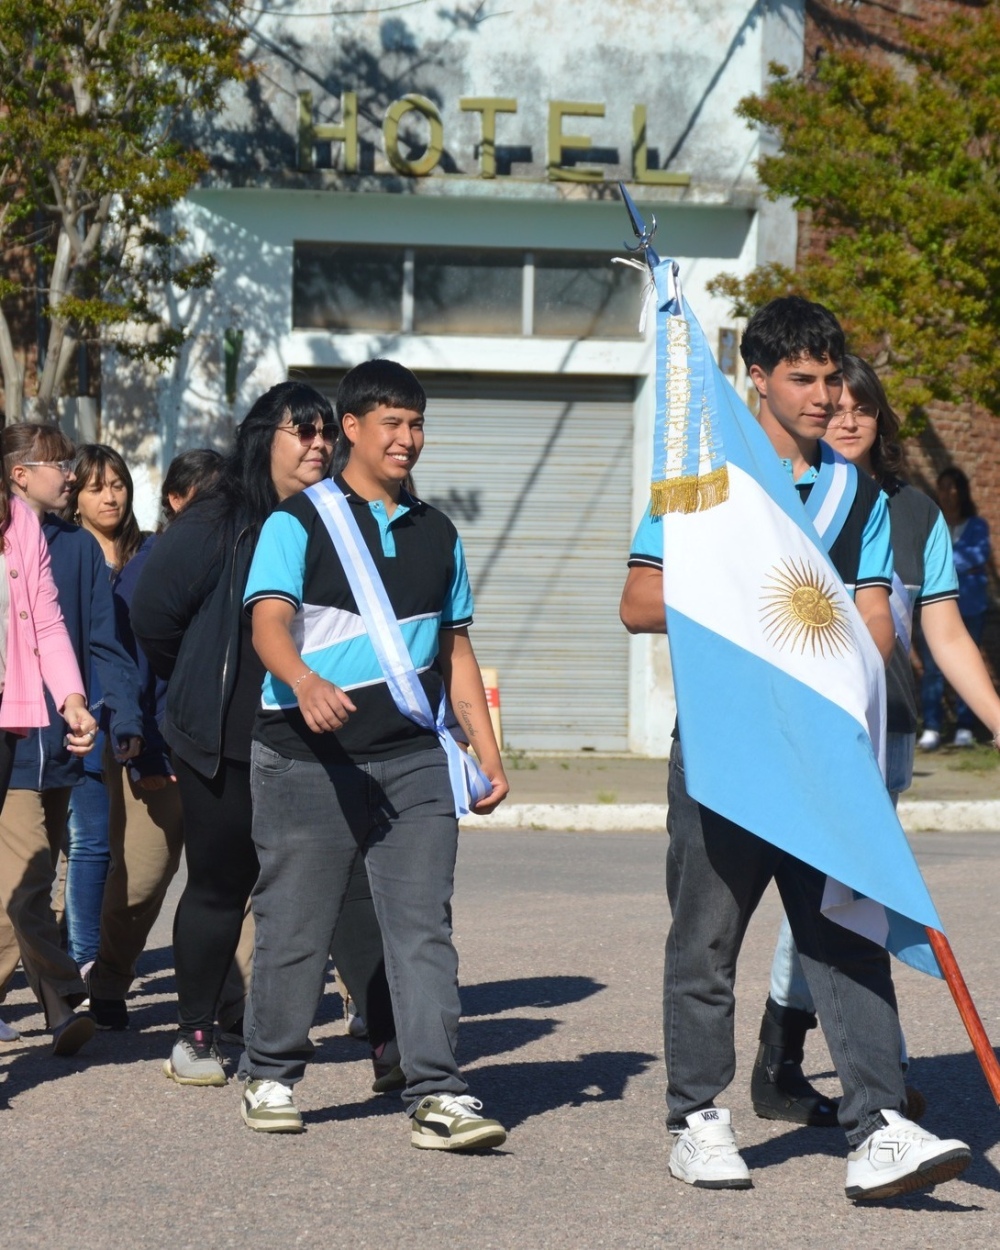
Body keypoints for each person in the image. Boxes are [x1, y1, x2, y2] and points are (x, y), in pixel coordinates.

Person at [619, 298, 970, 1200]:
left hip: (822, 752)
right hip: (725, 750)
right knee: (707, 943)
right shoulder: (704, 484)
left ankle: (879, 1126)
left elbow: (876, 622)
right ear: (758, 381)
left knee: (845, 937)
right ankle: (697, 1119)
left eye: (830, 378)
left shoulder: (863, 497)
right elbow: (638, 603)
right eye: (802, 379)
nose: (823, 397)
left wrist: (840, 659)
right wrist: (755, 614)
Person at [237, 358, 509, 1148]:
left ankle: (437, 1091)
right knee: (295, 923)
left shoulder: (438, 532)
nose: (407, 438)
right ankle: (270, 1073)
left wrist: (487, 752)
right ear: (350, 428)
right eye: (391, 422)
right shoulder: (296, 523)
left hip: (413, 758)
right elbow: (267, 624)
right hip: (304, 759)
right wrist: (303, 680)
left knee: (423, 927)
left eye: (416, 423)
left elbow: (456, 650)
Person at [750, 355, 1000, 1127]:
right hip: (787, 736)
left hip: (879, 736)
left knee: (839, 897)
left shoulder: (914, 513)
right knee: (832, 896)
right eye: (836, 405)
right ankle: (866, 1067)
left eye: (863, 407)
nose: (847, 417)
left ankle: (789, 1062)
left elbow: (945, 635)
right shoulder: (772, 499)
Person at [131, 382, 396, 1087]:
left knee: (349, 881)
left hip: (323, 729)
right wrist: (199, 677)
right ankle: (195, 1035)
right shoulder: (218, 517)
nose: (318, 444)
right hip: (223, 733)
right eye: (302, 431)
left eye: (325, 433)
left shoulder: (343, 516)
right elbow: (153, 615)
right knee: (221, 882)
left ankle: (389, 1041)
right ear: (262, 438)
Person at [0, 422, 137, 1055]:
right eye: (59, 464)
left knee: (28, 876)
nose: (73, 476)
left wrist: (81, 704)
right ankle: (61, 997)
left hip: (46, 731)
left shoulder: (63, 544)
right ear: (20, 473)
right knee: (28, 878)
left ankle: (54, 1001)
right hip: (20, 743)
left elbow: (59, 630)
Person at [84, 448, 222, 1031]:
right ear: (175, 501)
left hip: (224, 753)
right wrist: (140, 750)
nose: (219, 513)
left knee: (233, 882)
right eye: (206, 500)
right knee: (139, 880)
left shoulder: (240, 559)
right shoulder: (147, 569)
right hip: (154, 751)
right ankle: (108, 981)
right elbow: (128, 672)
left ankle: (236, 1004)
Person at [61, 445, 145, 976]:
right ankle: (84, 958)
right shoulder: (64, 554)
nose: (110, 497)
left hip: (136, 714)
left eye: (117, 485)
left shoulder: (148, 552)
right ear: (76, 498)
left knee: (127, 849)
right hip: (83, 712)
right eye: (96, 488)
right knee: (90, 842)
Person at [919, 467, 992, 749]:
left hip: (971, 606)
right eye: (943, 486)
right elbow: (924, 557)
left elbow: (978, 554)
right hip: (934, 609)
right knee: (932, 669)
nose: (948, 493)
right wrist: (957, 564)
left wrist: (941, 563)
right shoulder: (931, 521)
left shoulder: (977, 526)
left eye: (953, 487)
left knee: (968, 665)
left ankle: (964, 726)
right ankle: (932, 726)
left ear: (962, 492)